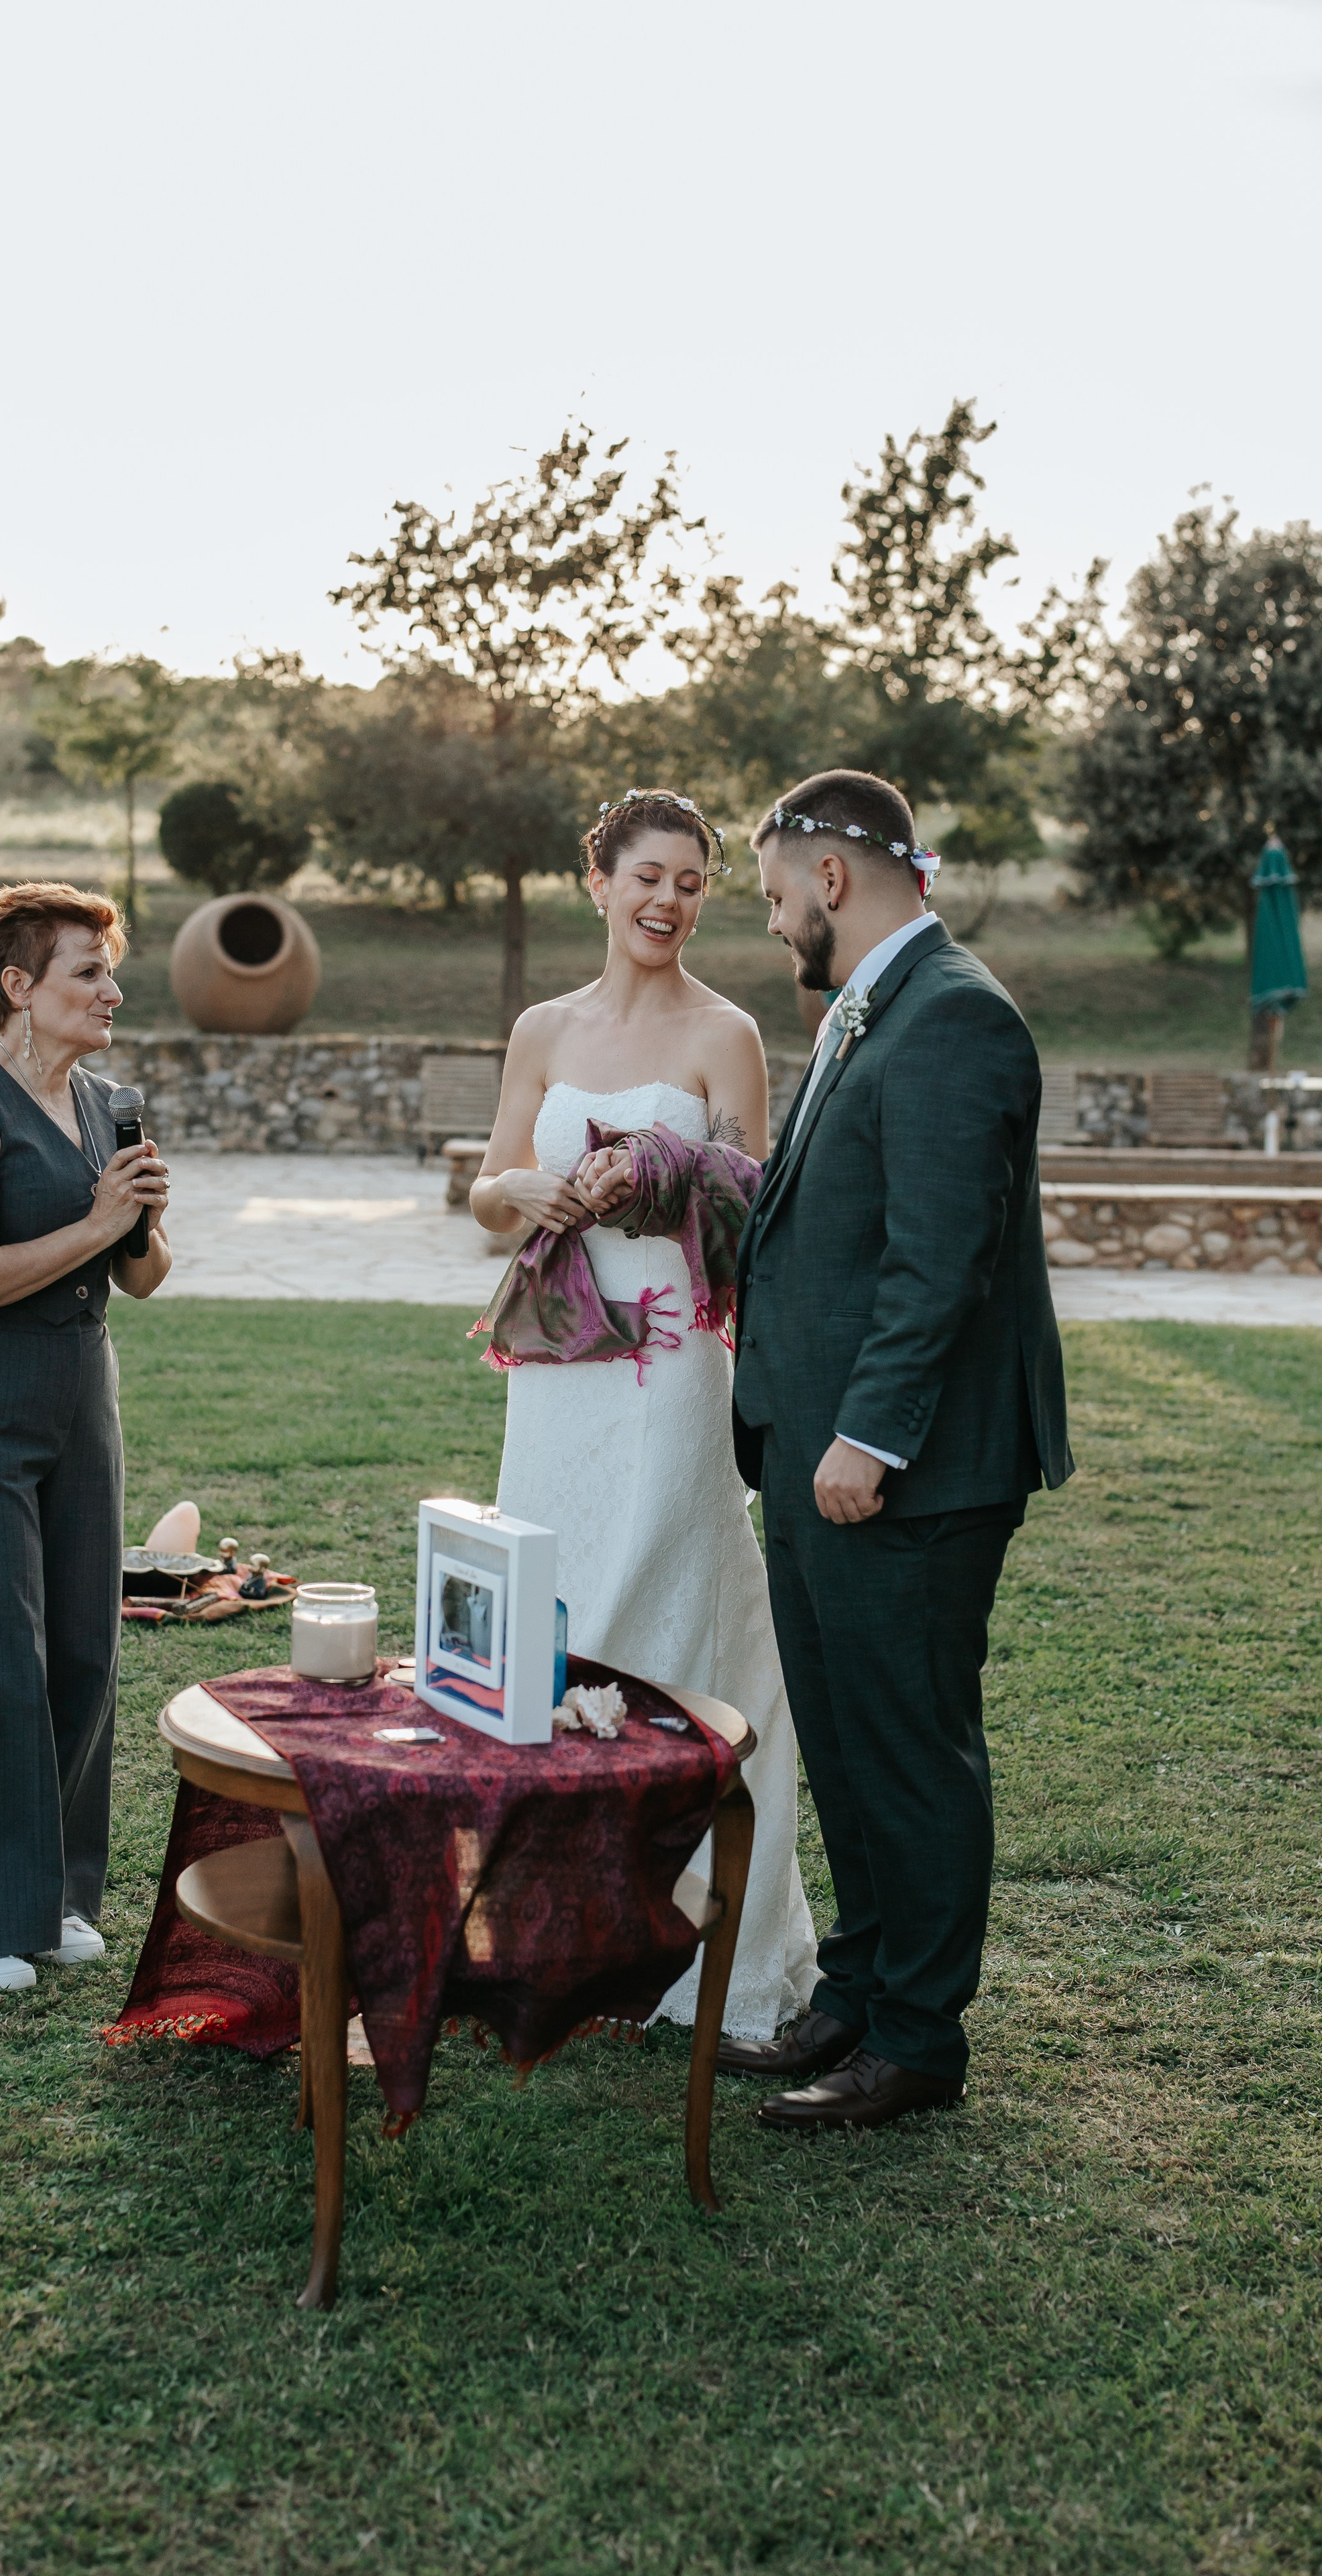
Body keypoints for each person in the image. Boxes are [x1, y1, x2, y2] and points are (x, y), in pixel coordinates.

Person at [730, 771, 1071, 2129]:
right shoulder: (865, 1011)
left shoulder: (950, 1019)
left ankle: (917, 2040)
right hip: (807, 1450)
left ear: (828, 879)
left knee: (908, 1748)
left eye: (768, 896)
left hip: (899, 1469)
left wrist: (867, 1437)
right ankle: (856, 1995)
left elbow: (940, 1264)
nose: (768, 926)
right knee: (843, 1737)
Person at [471, 789, 818, 2045]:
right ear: (601, 885)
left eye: (691, 883)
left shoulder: (727, 1034)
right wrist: (536, 1183)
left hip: (671, 1365)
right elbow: (485, 1192)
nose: (668, 901)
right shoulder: (544, 1028)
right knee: (555, 1611)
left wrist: (659, 1173)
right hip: (560, 1365)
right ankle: (564, 1931)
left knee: (666, 1611)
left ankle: (688, 1939)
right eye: (648, 878)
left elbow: (754, 1206)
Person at [0, 881, 172, 1994]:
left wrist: (141, 1217)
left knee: (80, 1652)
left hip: (78, 1390)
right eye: (88, 972)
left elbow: (145, 1276)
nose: (113, 990)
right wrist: (98, 1221)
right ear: (19, 986)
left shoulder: (107, 1102)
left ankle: (51, 1898)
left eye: (110, 970)